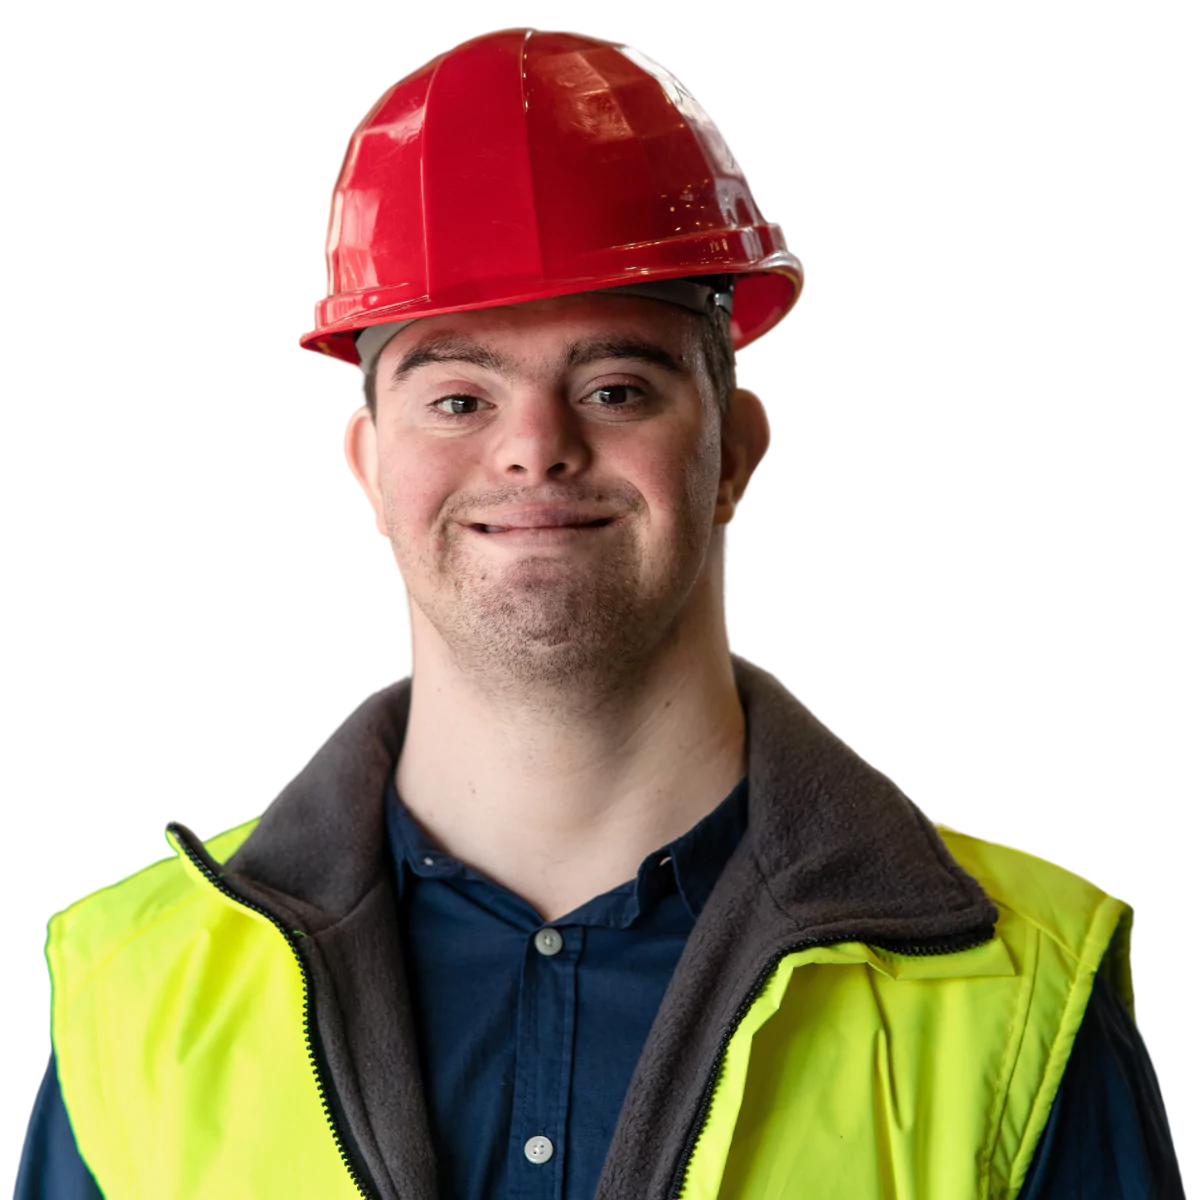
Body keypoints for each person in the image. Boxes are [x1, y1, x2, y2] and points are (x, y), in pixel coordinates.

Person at [15, 26, 1183, 1199]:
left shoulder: (1015, 995)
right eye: (460, 396)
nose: (536, 450)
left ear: (737, 451)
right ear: (366, 464)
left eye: (614, 386)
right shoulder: (135, 998)